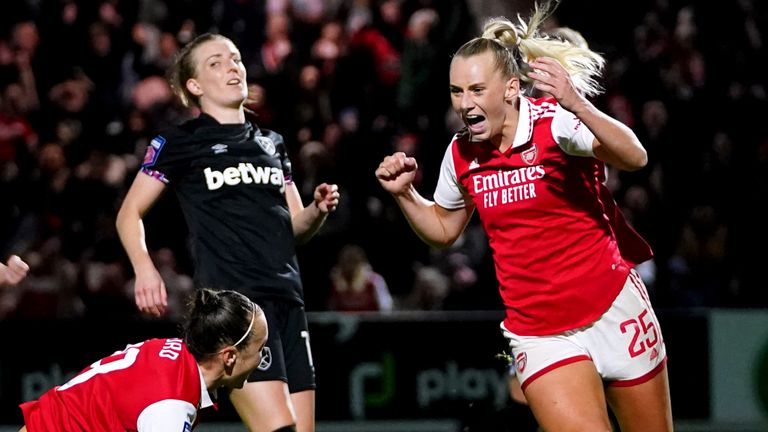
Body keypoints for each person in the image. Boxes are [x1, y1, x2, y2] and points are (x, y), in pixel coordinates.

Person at [375, 1, 672, 431]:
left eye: (477, 90)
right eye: (457, 91)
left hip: (614, 307)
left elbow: (635, 156)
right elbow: (442, 230)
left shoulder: (556, 125)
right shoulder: (461, 153)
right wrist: (406, 195)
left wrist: (577, 103)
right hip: (540, 334)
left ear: (512, 88)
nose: (464, 103)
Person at [116, 33, 340, 432]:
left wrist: (316, 211)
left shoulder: (272, 143)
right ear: (194, 86)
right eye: (216, 63)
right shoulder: (180, 142)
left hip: (288, 302)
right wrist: (145, 268)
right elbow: (129, 213)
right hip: (237, 307)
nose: (232, 67)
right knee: (279, 429)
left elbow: (295, 229)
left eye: (235, 58)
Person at [18, 288, 268, 431]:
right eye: (260, 350)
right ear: (229, 356)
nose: (262, 360)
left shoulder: (174, 352)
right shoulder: (170, 407)